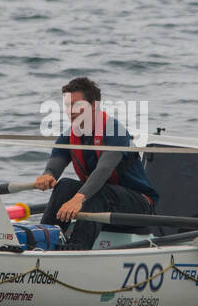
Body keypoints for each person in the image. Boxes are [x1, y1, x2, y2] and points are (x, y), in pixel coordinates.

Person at [35, 77, 159, 250]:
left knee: (95, 194)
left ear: (94, 106)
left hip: (140, 205)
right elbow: (56, 163)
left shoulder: (115, 131)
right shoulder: (69, 135)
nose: (71, 111)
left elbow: (104, 170)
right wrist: (48, 175)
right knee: (64, 185)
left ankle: (76, 249)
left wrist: (78, 198)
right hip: (104, 200)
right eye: (68, 105)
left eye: (77, 105)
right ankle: (42, 241)